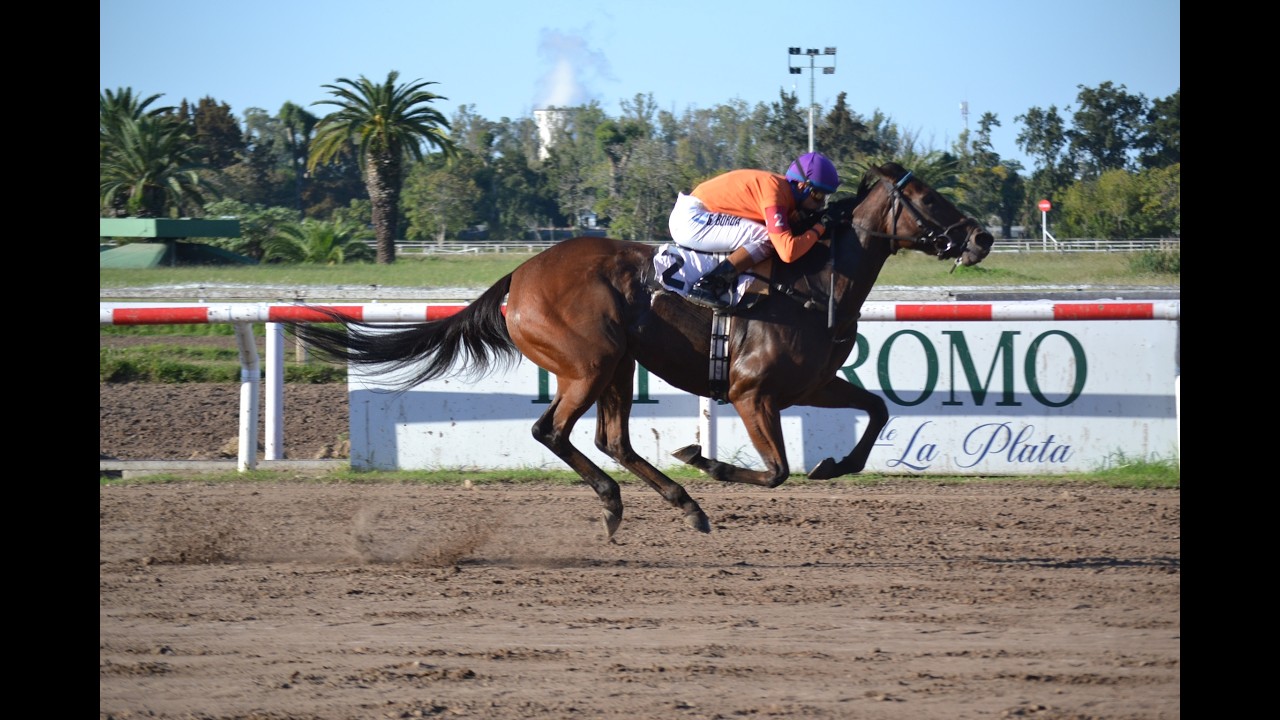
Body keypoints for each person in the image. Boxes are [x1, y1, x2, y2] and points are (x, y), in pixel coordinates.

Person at [668, 151, 841, 310]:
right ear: (802, 186)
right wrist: (821, 226)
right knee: (767, 238)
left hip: (698, 214)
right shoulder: (775, 192)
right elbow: (787, 252)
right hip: (690, 218)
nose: (821, 203)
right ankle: (709, 284)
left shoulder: (782, 191)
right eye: (818, 195)